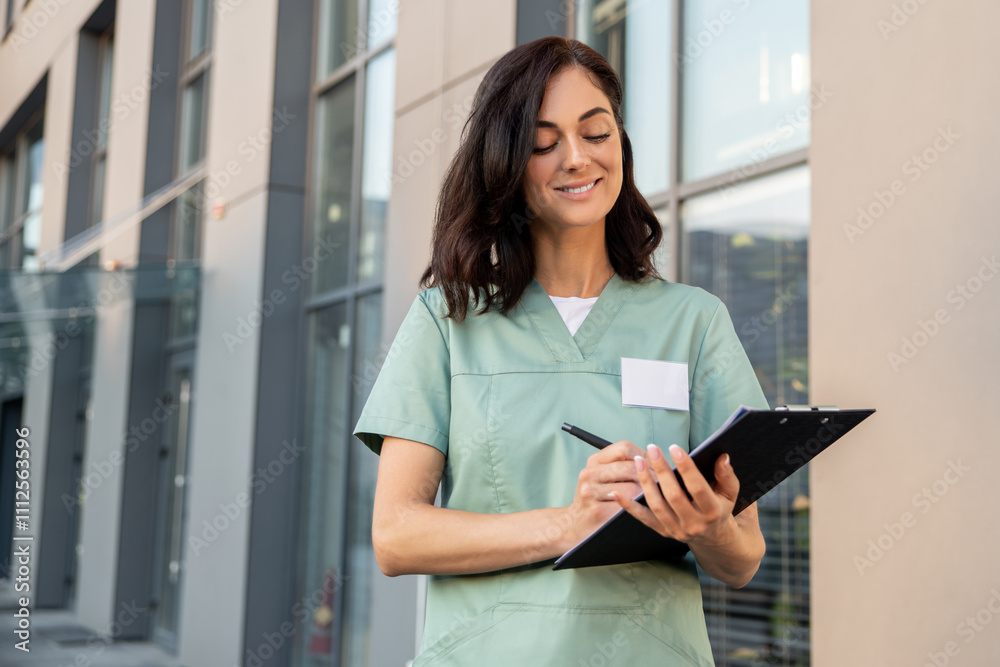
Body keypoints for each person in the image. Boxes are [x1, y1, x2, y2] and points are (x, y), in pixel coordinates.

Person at [353, 36, 769, 666]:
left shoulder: (695, 322)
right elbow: (396, 536)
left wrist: (707, 525)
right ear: (507, 164)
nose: (577, 158)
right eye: (544, 143)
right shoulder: (448, 319)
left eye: (596, 133)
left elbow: (743, 559)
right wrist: (569, 523)